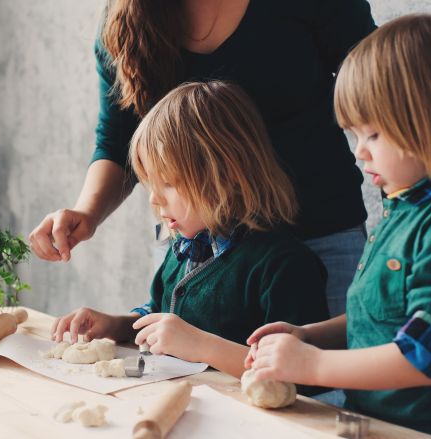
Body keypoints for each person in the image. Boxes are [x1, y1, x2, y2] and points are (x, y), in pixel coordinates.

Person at [244, 14, 431, 438]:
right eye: (353, 135)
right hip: (369, 426)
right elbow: (383, 319)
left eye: (372, 134)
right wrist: (310, 337)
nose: (359, 153)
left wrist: (312, 365)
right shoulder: (400, 211)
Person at [29, 0, 377, 317]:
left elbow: (381, 85)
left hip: (320, 233)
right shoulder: (123, 21)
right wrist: (86, 213)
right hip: (197, 251)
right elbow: (119, 136)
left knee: (317, 382)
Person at [51, 81, 329, 379]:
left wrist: (201, 346)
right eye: (150, 185)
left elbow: (300, 378)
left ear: (227, 173)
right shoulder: (182, 250)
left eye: (167, 183)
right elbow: (158, 314)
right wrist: (116, 325)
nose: (155, 200)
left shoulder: (283, 267)